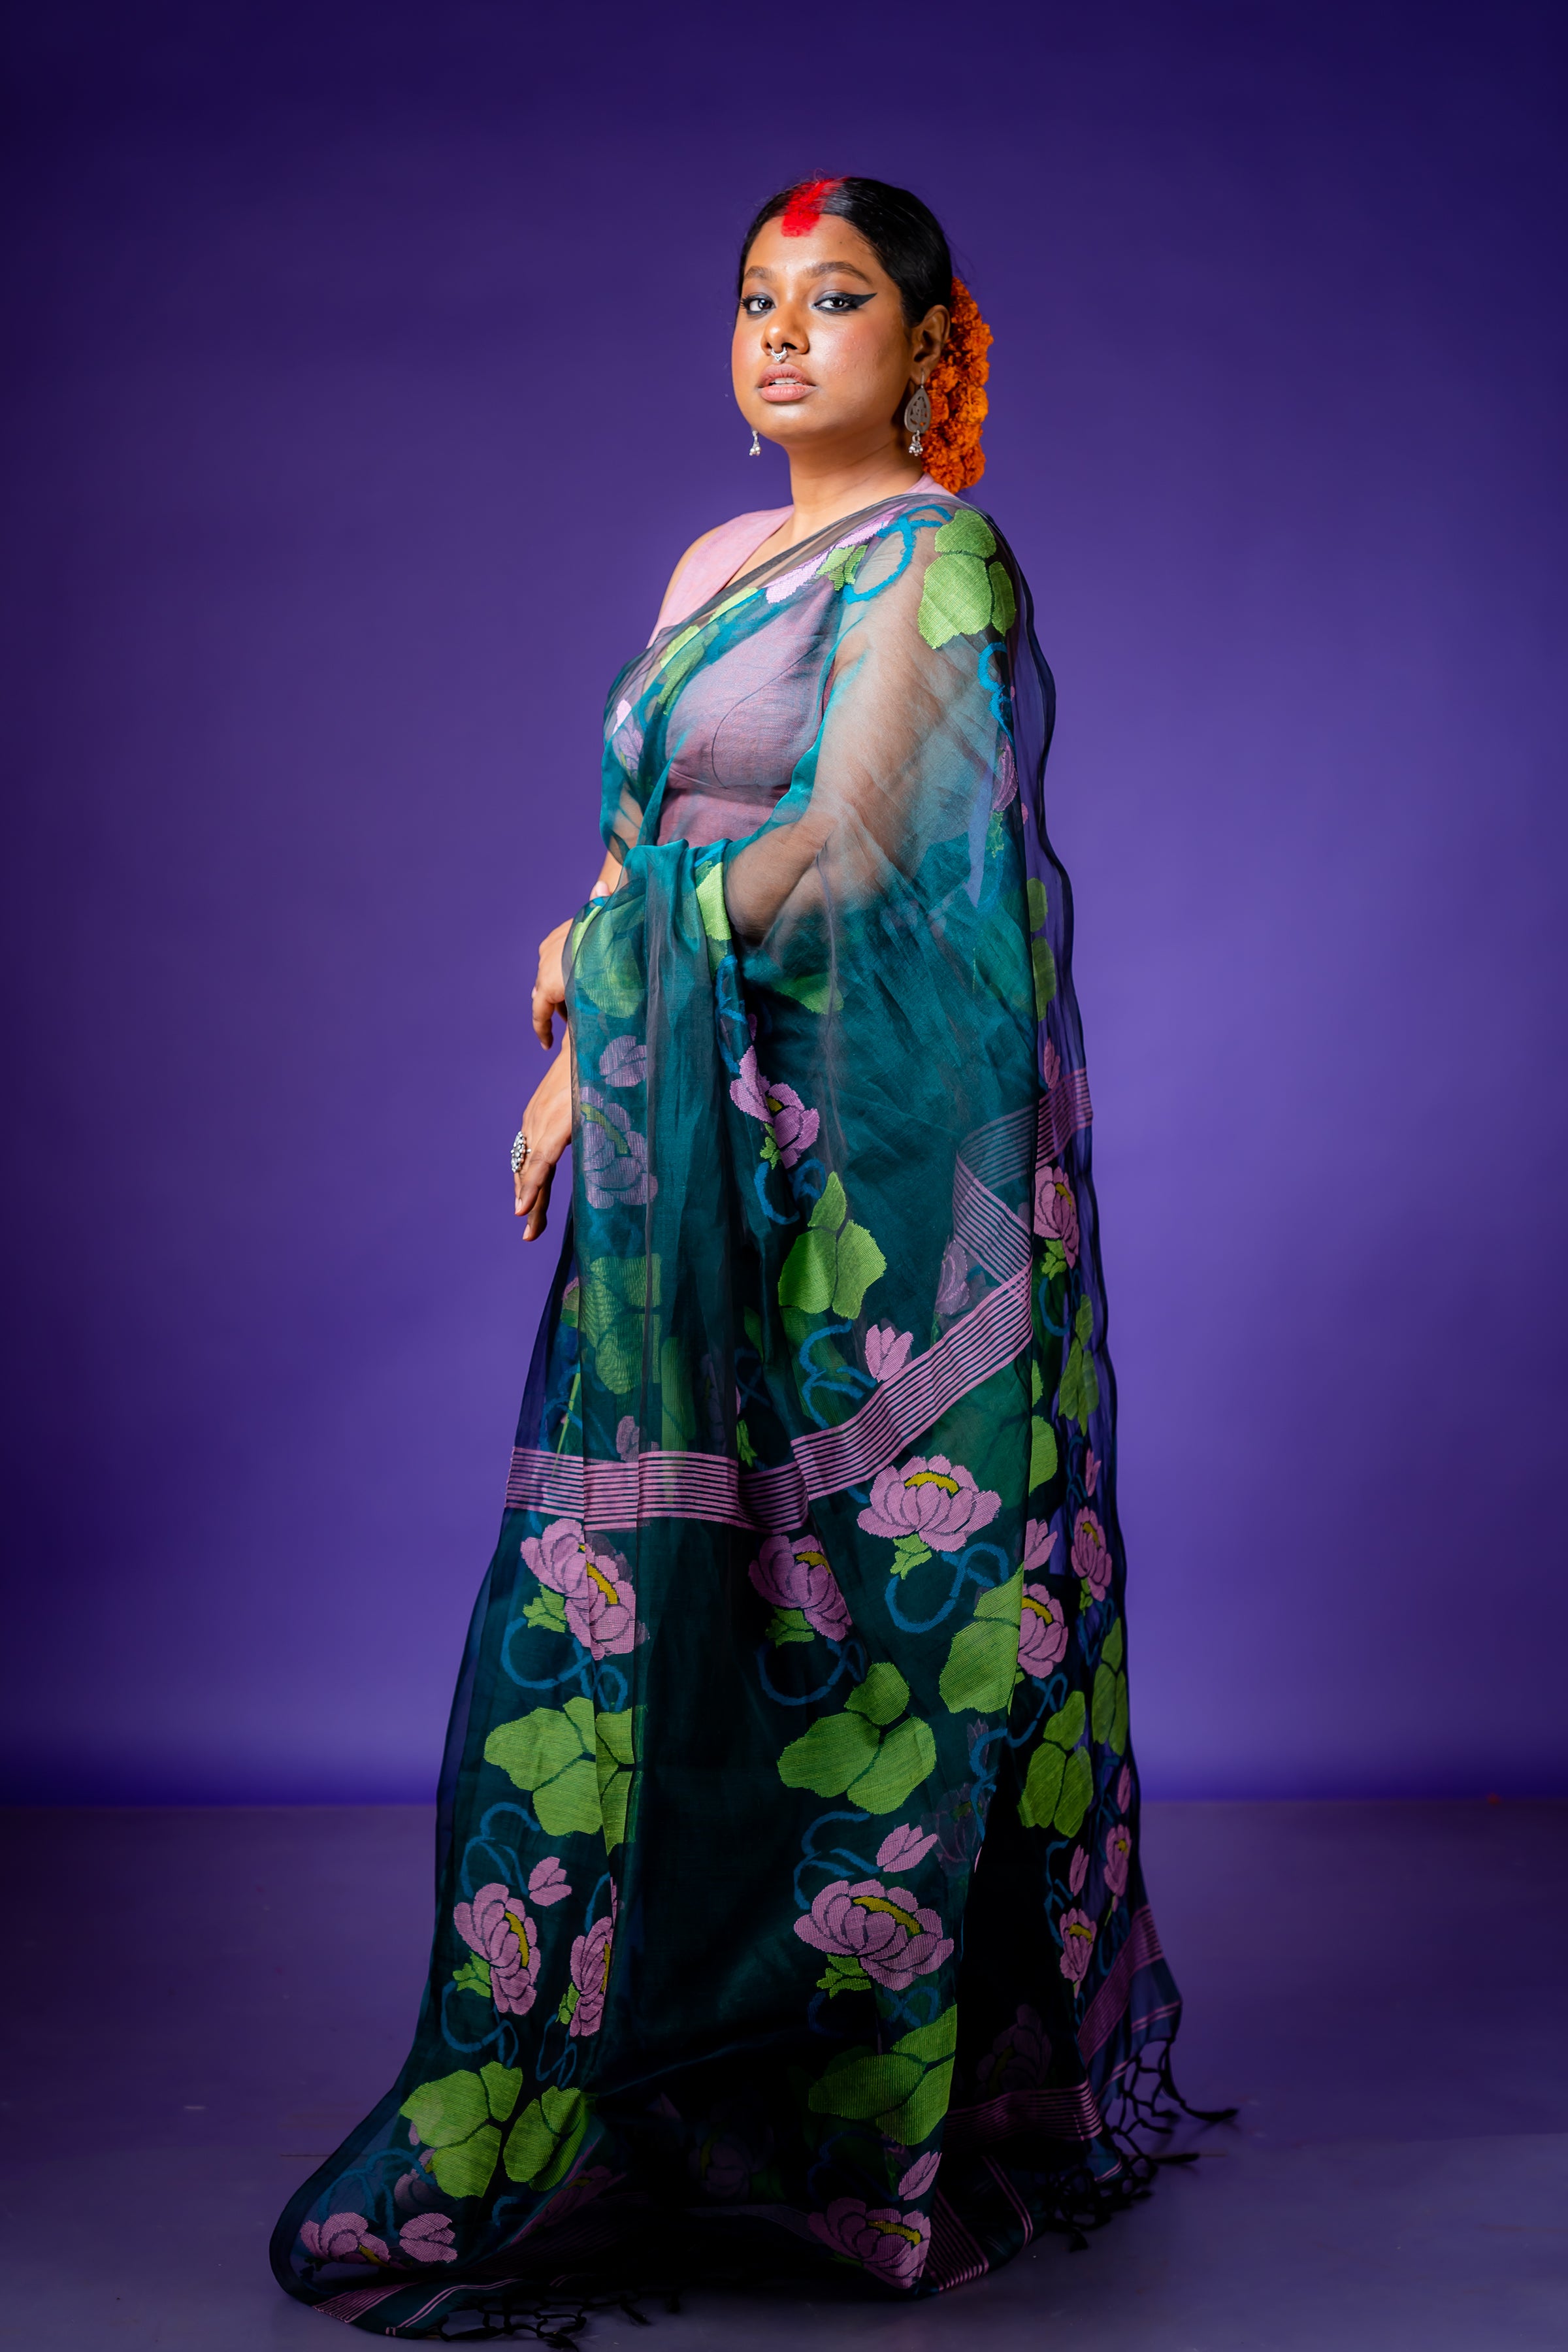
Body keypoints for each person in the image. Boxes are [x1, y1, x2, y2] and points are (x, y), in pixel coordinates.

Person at [272, 174, 1211, 2341]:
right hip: (684, 1136)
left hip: (868, 1161)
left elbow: (853, 848)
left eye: (837, 298)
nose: (786, 334)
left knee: (868, 1596)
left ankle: (867, 2126)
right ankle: (663, 2091)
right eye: (758, 299)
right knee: (668, 1570)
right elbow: (638, 842)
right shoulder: (711, 565)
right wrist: (573, 1072)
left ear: (928, 344)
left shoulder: (942, 556)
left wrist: (611, 961)